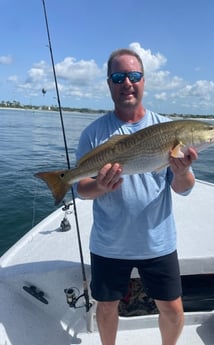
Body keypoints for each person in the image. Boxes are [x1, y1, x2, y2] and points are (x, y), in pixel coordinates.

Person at [76, 48, 198, 345]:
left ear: (144, 81)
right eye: (119, 76)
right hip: (109, 243)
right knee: (106, 306)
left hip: (156, 240)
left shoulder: (167, 129)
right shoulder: (93, 133)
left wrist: (181, 172)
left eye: (134, 76)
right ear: (109, 83)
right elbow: (80, 188)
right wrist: (100, 187)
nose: (127, 82)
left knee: (171, 308)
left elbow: (184, 188)